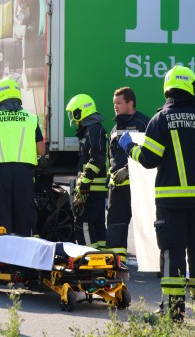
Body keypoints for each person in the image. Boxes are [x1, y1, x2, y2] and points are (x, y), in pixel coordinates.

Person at [120, 66, 195, 321]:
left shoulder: (161, 120)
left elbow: (149, 159)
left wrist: (129, 147)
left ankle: (173, 311)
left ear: (168, 89)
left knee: (173, 253)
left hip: (170, 202)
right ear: (191, 87)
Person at [0, 78, 45, 236]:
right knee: (24, 219)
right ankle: (22, 259)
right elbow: (41, 150)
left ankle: (3, 259)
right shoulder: (31, 119)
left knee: (0, 220)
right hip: (25, 174)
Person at [106, 87, 150, 267]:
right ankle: (118, 264)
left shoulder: (143, 123)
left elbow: (149, 153)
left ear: (130, 103)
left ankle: (157, 265)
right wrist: (113, 174)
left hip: (139, 187)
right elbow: (112, 157)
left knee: (148, 226)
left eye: (119, 103)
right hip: (118, 187)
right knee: (116, 225)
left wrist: (127, 169)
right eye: (114, 103)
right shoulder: (115, 128)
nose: (115, 106)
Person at [65, 94, 108, 248]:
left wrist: (85, 181)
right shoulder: (93, 128)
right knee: (97, 225)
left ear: (81, 111)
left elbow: (97, 158)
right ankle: (102, 256)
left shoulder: (93, 129)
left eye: (73, 113)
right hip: (94, 187)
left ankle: (90, 258)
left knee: (83, 223)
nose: (72, 117)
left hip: (91, 188)